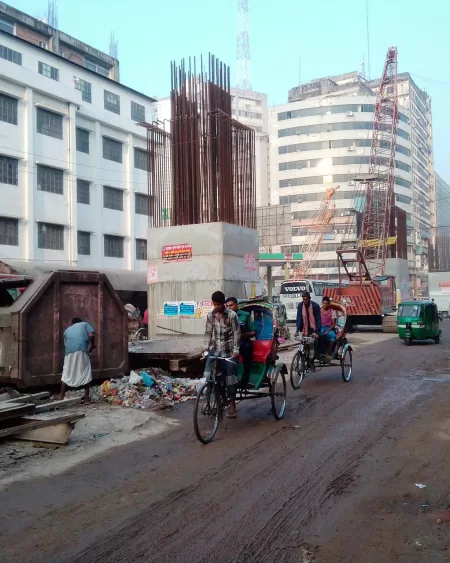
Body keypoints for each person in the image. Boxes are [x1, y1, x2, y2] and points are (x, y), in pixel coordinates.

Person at [204, 291, 241, 418]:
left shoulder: (232, 315)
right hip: (215, 351)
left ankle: (232, 404)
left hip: (229, 352)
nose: (216, 307)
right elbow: (208, 333)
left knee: (230, 379)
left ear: (223, 303)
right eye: (214, 304)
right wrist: (205, 348)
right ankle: (220, 398)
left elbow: (237, 334)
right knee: (208, 375)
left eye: (218, 304)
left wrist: (236, 351)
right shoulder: (210, 315)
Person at [58, 317, 96, 403]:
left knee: (66, 372)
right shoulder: (84, 324)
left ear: (72, 324)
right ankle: (87, 398)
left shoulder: (66, 331)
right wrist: (93, 345)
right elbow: (91, 335)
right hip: (82, 350)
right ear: (80, 322)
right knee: (85, 371)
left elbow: (66, 344)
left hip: (69, 352)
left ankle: (61, 395)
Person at [225, 297, 256, 389]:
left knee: (248, 349)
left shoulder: (245, 315)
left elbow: (253, 331)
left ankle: (245, 380)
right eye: (227, 306)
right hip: (228, 342)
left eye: (231, 305)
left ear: (236, 305)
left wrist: (244, 335)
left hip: (243, 342)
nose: (229, 308)